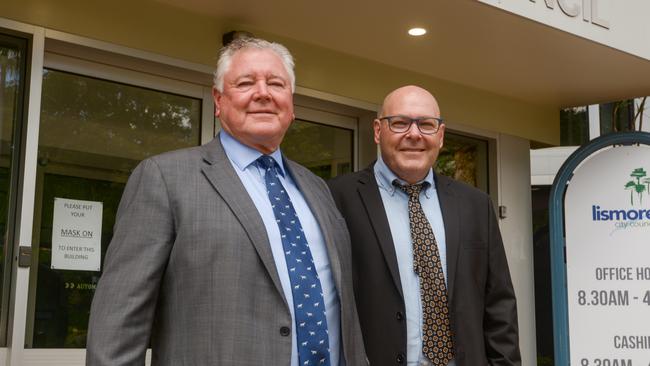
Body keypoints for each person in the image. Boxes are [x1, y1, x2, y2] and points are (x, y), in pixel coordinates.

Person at [87, 37, 366, 366]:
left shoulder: (317, 188)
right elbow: (119, 325)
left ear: (291, 104)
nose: (263, 93)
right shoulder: (164, 178)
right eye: (246, 83)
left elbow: (342, 309)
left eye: (276, 83)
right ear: (218, 101)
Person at [328, 86, 520, 366]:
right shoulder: (334, 198)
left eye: (426, 125)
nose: (414, 134)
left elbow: (499, 307)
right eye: (400, 123)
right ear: (378, 131)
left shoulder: (475, 205)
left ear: (440, 136)